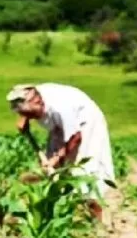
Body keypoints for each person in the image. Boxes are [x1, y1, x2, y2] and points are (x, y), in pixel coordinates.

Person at [6, 83, 115, 222]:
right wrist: (24, 118)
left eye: (31, 114)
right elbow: (24, 101)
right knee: (52, 171)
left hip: (85, 123)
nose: (31, 117)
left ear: (38, 103)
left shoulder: (61, 108)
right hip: (62, 125)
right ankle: (53, 214)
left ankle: (96, 221)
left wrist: (57, 158)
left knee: (83, 171)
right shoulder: (33, 96)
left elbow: (76, 137)